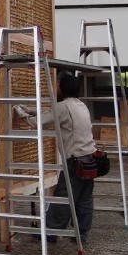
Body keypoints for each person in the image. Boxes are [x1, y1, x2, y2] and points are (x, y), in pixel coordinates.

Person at [14, 71, 96, 243]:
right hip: (90, 158)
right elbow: (49, 114)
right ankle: (81, 233)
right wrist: (31, 110)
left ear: (61, 87)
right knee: (84, 198)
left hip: (75, 160)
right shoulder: (80, 105)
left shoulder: (62, 107)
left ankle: (51, 232)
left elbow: (39, 123)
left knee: (63, 196)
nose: (55, 87)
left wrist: (22, 114)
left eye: (56, 84)